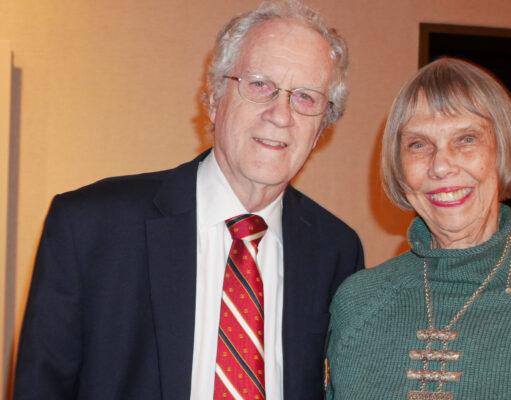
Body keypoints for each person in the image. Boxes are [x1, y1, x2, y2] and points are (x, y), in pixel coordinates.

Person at [15, 1, 364, 399]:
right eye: (260, 84)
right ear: (214, 99)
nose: (280, 114)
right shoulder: (89, 227)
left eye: (305, 97)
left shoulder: (337, 252)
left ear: (321, 129)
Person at [325, 58, 511, 399]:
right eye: (418, 144)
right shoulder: (357, 303)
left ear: (502, 152)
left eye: (466, 139)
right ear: (398, 167)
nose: (441, 165)